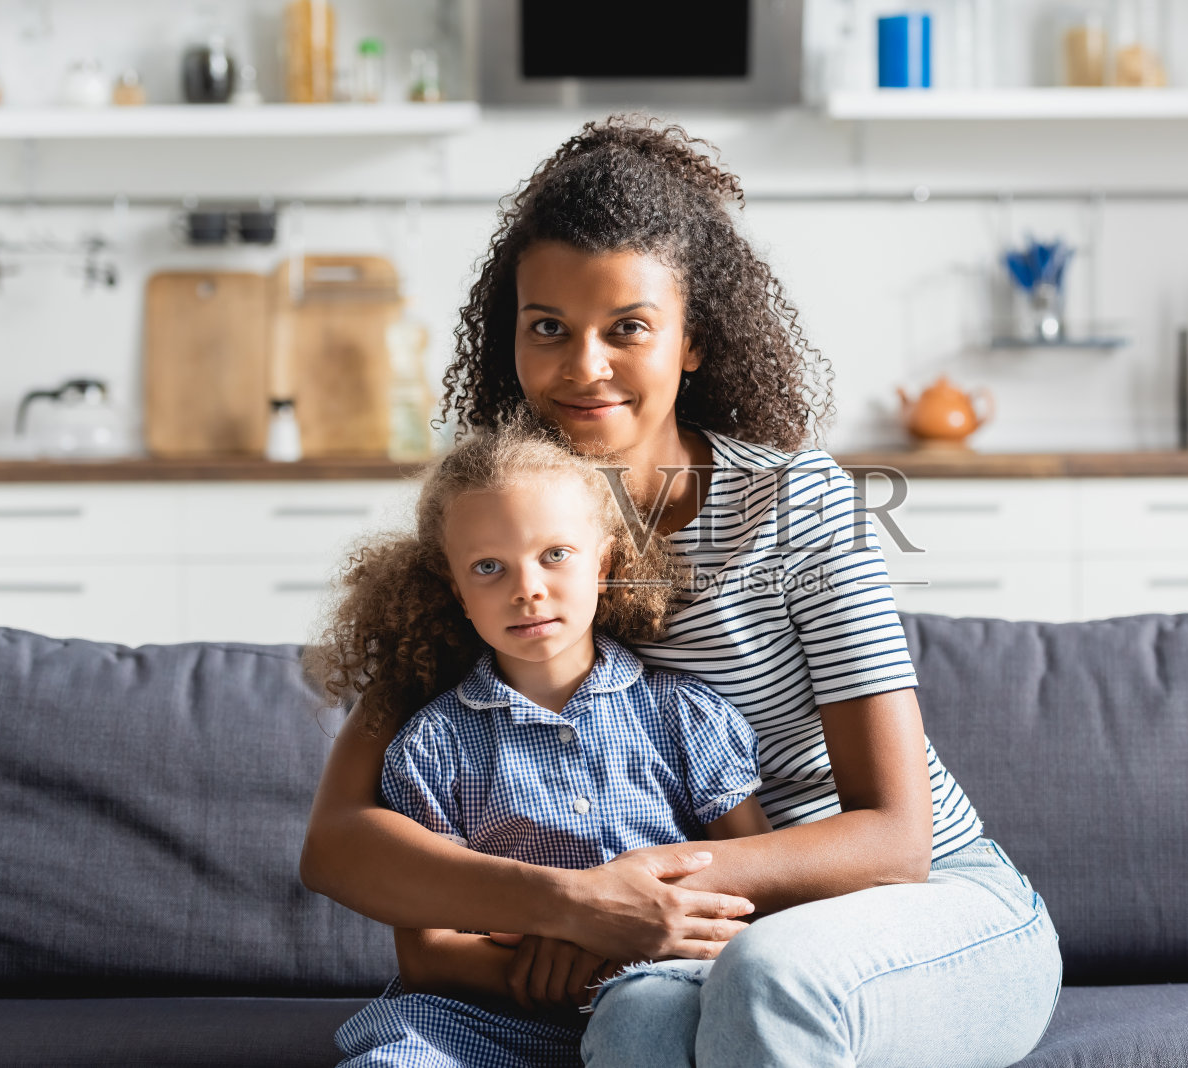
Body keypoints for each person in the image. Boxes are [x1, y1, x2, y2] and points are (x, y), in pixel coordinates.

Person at [301, 115, 1062, 1068]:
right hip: (678, 948)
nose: (584, 368)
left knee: (768, 976)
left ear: (692, 341)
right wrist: (572, 906)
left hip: (925, 913)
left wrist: (634, 887)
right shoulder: (497, 534)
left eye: (629, 330)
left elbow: (898, 839)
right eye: (549, 329)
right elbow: (338, 843)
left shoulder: (797, 505)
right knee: (637, 1023)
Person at [307, 412, 773, 1066]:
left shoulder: (685, 718)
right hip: (473, 1026)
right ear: (455, 589)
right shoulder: (430, 744)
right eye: (489, 567)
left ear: (606, 561)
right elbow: (427, 953)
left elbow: (755, 894)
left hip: (658, 1002)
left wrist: (618, 959)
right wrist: (566, 956)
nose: (528, 589)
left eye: (555, 555)